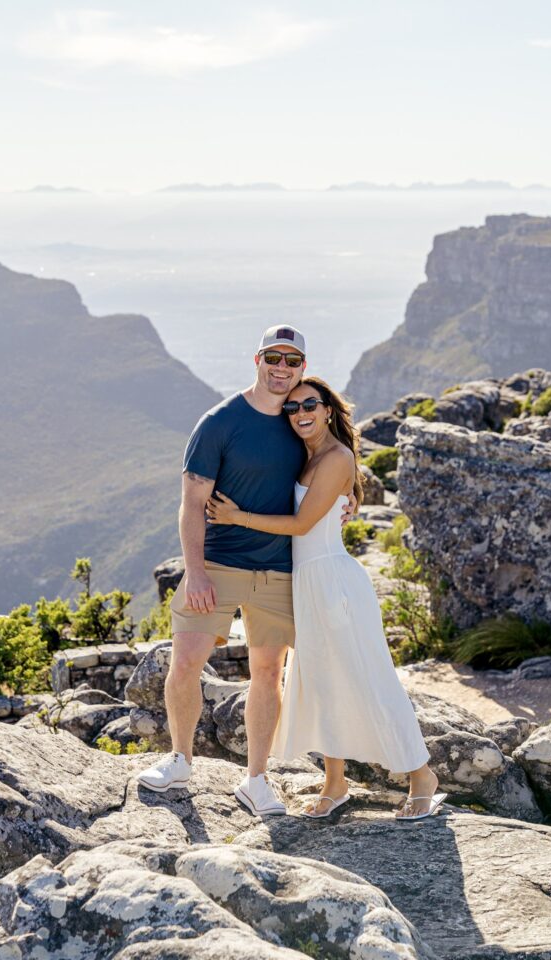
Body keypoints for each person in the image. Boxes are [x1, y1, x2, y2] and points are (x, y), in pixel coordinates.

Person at [205, 375, 446, 821]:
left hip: (334, 582)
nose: (300, 414)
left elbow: (301, 526)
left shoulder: (336, 457)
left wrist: (237, 517)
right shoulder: (307, 455)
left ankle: (422, 776)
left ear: (328, 409)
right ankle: (335, 783)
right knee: (323, 680)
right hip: (308, 583)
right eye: (292, 408)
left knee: (368, 679)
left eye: (309, 405)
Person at [138, 326, 355, 815]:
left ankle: (257, 780)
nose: (282, 369)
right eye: (274, 358)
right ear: (257, 359)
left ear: (303, 367)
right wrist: (194, 571)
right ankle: (178, 760)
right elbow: (191, 503)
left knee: (267, 672)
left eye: (292, 361)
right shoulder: (220, 422)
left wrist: (350, 500)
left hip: (279, 567)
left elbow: (333, 465)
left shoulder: (300, 418)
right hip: (216, 562)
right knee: (187, 660)